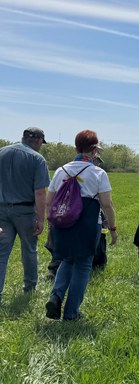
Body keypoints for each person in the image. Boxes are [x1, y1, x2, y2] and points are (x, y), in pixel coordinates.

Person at [45, 130, 117, 320]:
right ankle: (71, 312)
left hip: (62, 223)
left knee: (67, 260)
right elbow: (107, 204)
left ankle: (56, 296)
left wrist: (50, 225)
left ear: (76, 148)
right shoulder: (98, 173)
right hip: (87, 225)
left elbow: (49, 202)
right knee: (84, 265)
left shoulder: (61, 170)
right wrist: (112, 228)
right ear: (94, 151)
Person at [0, 127, 50, 304]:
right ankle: (30, 288)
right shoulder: (37, 159)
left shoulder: (2, 152)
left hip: (1, 211)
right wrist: (41, 219)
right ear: (38, 141)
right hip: (25, 211)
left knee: (1, 254)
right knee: (29, 250)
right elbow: (40, 193)